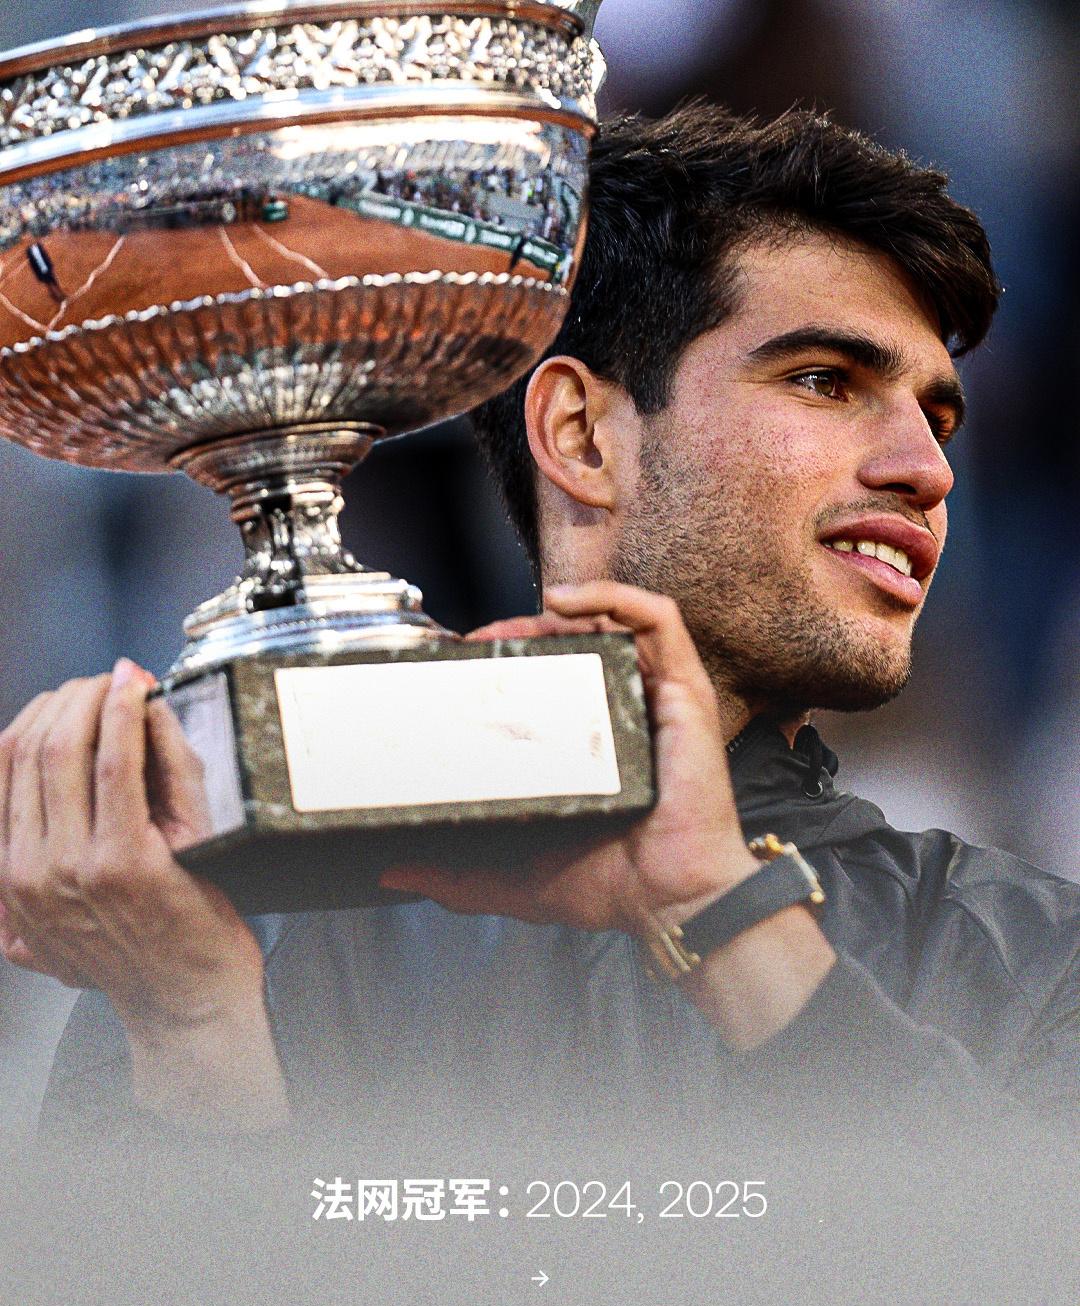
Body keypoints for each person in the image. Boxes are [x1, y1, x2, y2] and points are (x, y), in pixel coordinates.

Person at [2, 103, 1077, 1143]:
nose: (927, 471)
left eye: (939, 419)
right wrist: (194, 1031)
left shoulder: (1034, 954)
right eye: (824, 380)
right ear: (581, 434)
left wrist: (718, 910)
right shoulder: (227, 929)